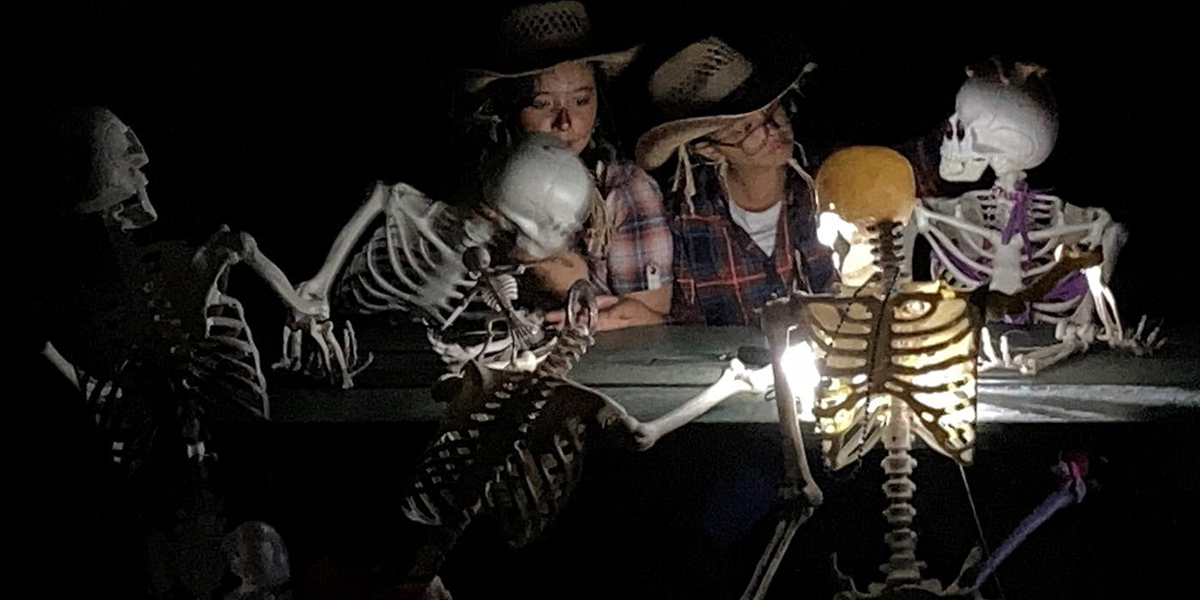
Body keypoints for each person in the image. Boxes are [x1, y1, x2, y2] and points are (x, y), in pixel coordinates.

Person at [458, 1, 673, 331]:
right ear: (508, 106)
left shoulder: (625, 191)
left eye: (581, 100)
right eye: (542, 103)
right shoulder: (472, 192)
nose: (565, 121)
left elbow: (650, 320)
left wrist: (577, 303)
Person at [635, 37, 836, 327]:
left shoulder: (826, 185)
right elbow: (685, 324)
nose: (774, 130)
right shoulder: (686, 218)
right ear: (711, 149)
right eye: (746, 127)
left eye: (773, 111)